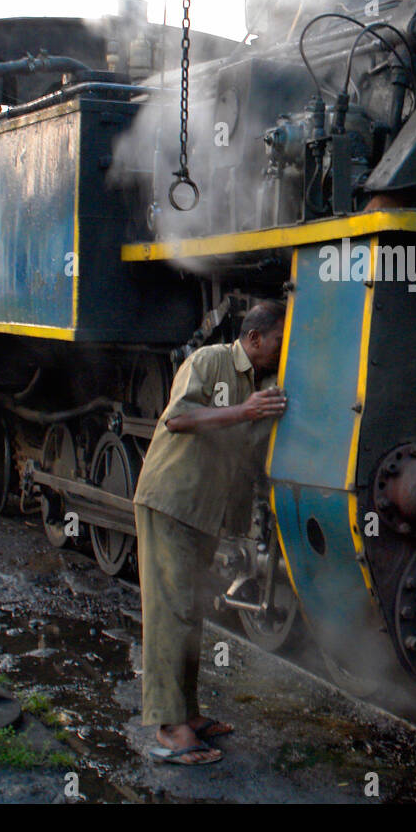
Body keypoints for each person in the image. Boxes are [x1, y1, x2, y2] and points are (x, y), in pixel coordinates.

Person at [132, 299, 288, 764]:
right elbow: (177, 418)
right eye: (278, 342)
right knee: (169, 613)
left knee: (192, 611)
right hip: (171, 502)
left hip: (205, 514)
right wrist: (245, 411)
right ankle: (167, 726)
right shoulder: (210, 361)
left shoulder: (261, 383)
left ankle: (189, 713)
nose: (282, 352)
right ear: (255, 338)